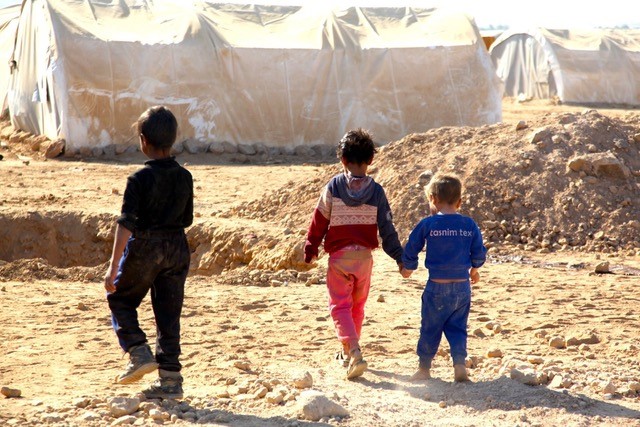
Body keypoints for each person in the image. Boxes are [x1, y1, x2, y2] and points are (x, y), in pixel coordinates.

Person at [104, 105, 193, 399]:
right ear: (173, 139)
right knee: (169, 315)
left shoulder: (138, 179)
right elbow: (187, 219)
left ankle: (139, 352)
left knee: (120, 299)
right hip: (177, 248)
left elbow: (126, 223)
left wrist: (113, 266)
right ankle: (170, 381)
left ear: (143, 140)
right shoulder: (185, 177)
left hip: (145, 247)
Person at [304, 128, 404, 380]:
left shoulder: (333, 187)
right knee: (357, 306)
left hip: (339, 258)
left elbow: (319, 220)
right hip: (364, 260)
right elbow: (387, 229)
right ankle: (347, 350)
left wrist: (311, 247)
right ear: (371, 160)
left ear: (342, 160)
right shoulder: (377, 192)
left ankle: (355, 351)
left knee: (339, 306)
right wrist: (401, 258)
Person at [400, 173, 486, 382]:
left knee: (430, 326)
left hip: (436, 288)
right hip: (462, 288)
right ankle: (459, 365)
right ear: (459, 201)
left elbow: (412, 247)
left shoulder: (428, 224)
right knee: (458, 327)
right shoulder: (469, 225)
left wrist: (408, 268)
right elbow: (478, 253)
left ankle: (424, 368)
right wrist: (474, 270)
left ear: (433, 199)